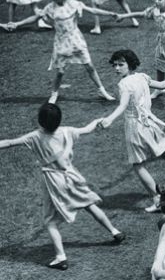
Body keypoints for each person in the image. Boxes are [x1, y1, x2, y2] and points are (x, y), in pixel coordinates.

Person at [0, 103, 124, 270]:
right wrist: (98, 120)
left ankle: (61, 257)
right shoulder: (68, 131)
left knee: (50, 221)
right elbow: (87, 129)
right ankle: (115, 231)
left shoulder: (35, 136)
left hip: (53, 180)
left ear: (41, 121)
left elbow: (8, 142)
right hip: (72, 176)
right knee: (88, 204)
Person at [98, 49, 165, 212]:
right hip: (151, 122)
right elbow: (163, 85)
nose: (116, 68)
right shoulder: (143, 76)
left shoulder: (124, 84)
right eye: (114, 65)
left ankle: (157, 199)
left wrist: (109, 119)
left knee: (137, 164)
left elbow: (122, 106)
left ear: (130, 65)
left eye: (121, 65)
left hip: (135, 126)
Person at [3, 0, 116, 103]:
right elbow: (35, 18)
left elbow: (93, 10)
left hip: (76, 40)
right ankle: (54, 94)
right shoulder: (50, 7)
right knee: (60, 72)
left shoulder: (74, 4)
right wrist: (17, 24)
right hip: (61, 42)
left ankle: (102, 91)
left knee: (90, 66)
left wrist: (110, 13)